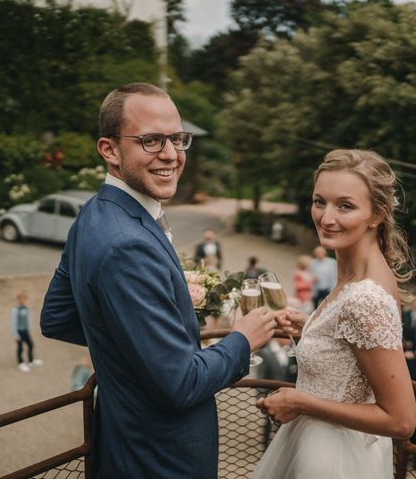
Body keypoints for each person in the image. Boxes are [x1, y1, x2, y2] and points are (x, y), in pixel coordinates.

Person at [40, 83, 276, 479]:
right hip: (160, 459)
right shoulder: (127, 244)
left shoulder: (92, 214)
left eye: (176, 138)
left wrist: (145, 340)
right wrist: (242, 339)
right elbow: (180, 384)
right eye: (150, 140)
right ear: (109, 150)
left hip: (123, 445)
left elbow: (58, 318)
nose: (171, 154)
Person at [252, 149, 416, 478]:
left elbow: (401, 420)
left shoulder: (365, 298)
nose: (326, 218)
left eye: (345, 206)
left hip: (334, 458)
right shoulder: (355, 275)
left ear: (376, 214)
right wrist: (313, 325)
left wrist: (301, 402)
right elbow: (352, 350)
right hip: (317, 442)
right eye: (319, 201)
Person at [10, 291, 42, 372]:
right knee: (20, 347)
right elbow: (13, 323)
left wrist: (28, 328)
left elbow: (28, 319)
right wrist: (15, 334)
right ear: (18, 300)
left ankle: (31, 360)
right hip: (19, 331)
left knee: (31, 344)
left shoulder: (26, 308)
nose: (22, 300)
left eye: (24, 299)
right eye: (20, 299)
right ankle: (20, 363)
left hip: (25, 330)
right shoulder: (15, 310)